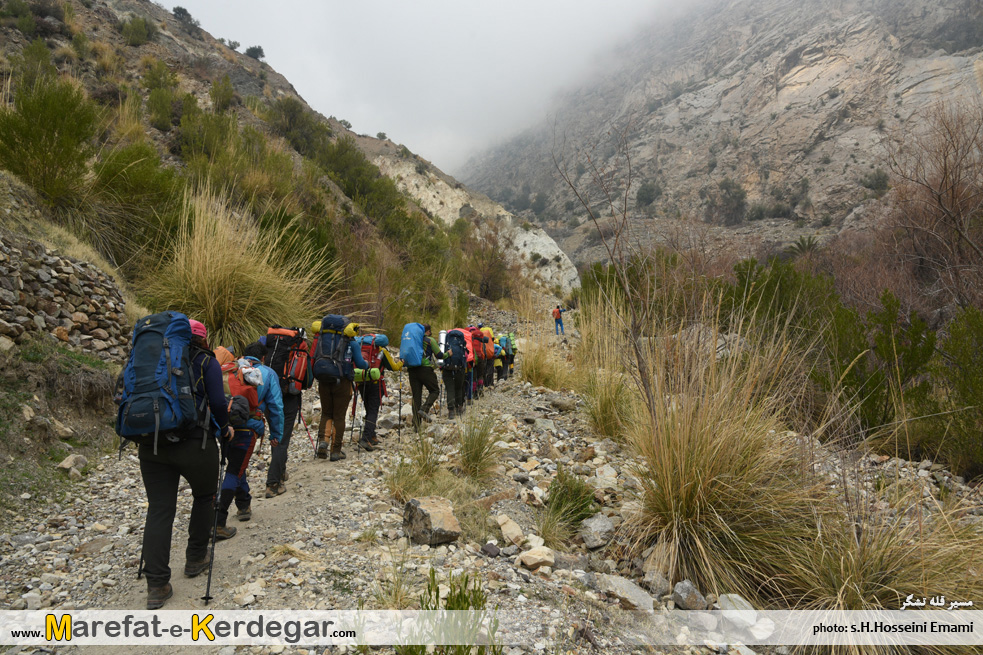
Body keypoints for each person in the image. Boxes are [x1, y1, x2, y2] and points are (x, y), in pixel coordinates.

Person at [139, 319, 231, 610]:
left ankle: (156, 585)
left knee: (160, 509)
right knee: (204, 497)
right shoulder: (206, 361)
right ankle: (195, 559)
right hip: (195, 442)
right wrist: (225, 427)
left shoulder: (150, 357)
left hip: (151, 444)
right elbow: (217, 402)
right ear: (202, 339)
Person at [262, 330, 309, 498]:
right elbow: (307, 380)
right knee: (282, 440)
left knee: (275, 436)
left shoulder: (268, 344)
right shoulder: (298, 349)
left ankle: (281, 474)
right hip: (289, 398)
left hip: (268, 398)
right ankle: (273, 484)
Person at [314, 321, 369, 461]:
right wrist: (367, 364)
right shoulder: (351, 343)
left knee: (326, 413)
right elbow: (361, 364)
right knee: (339, 416)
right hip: (342, 382)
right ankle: (335, 451)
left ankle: (323, 442)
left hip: (324, 380)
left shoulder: (321, 339)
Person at [354, 334, 402, 448]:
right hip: (376, 383)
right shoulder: (381, 351)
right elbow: (393, 367)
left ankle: (372, 435)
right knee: (373, 410)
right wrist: (401, 363)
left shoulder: (359, 348)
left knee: (368, 408)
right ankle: (365, 438)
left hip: (361, 381)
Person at [408, 324, 446, 430]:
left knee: (416, 397)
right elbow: (439, 355)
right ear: (428, 331)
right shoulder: (429, 340)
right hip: (425, 369)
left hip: (412, 370)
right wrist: (449, 354)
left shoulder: (413, 340)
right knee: (434, 391)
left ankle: (416, 426)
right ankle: (424, 409)